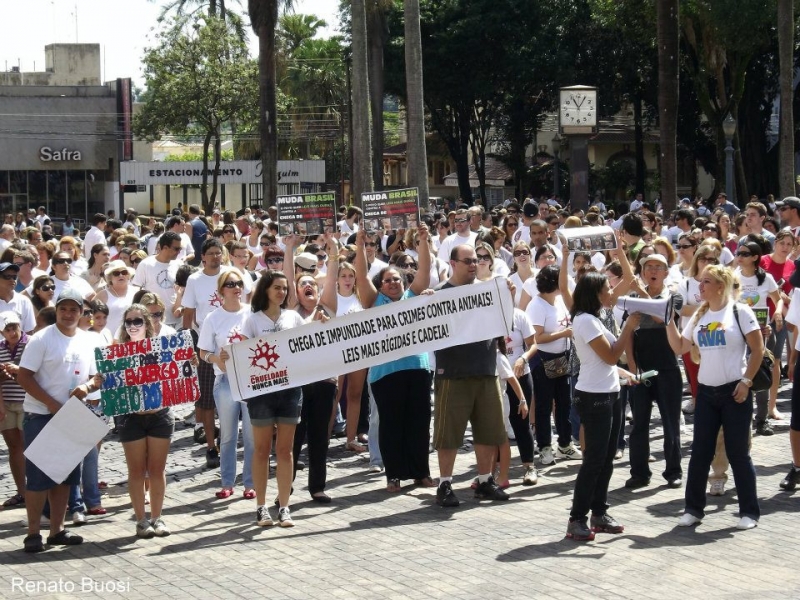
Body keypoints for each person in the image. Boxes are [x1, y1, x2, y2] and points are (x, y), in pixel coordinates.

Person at [666, 265, 763, 530]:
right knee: (700, 453)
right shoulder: (700, 314)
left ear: (720, 285)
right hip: (706, 393)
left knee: (738, 453)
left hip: (735, 391)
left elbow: (757, 349)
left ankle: (749, 512)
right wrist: (668, 320)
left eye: (706, 281)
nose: (700, 285)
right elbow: (679, 347)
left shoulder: (740, 312)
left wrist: (746, 381)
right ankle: (693, 509)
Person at [17, 289, 102, 553]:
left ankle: (57, 530)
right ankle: (33, 533)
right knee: (39, 477)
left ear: (81, 313)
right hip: (40, 415)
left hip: (71, 416)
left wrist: (88, 387)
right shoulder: (41, 339)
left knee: (66, 477)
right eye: (64, 309)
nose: (68, 314)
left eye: (74, 310)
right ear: (57, 310)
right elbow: (24, 376)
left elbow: (96, 376)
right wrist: (51, 404)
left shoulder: (88, 340)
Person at [355, 225, 435, 493]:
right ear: (380, 286)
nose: (392, 283)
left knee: (419, 422)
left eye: (397, 280)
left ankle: (421, 472)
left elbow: (424, 270)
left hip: (417, 368)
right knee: (391, 425)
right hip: (385, 374)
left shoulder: (414, 297)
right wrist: (358, 245)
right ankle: (394, 475)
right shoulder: (374, 302)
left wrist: (423, 241)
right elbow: (360, 277)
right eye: (387, 281)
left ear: (404, 283)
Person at [433, 244, 509, 507]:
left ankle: (485, 480)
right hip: (453, 373)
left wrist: (506, 297)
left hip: (485, 369)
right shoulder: (439, 294)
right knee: (449, 433)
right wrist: (427, 302)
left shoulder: (488, 290)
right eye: (468, 261)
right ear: (453, 263)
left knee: (489, 430)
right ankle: (444, 483)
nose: (473, 265)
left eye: (476, 260)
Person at [566, 272, 640, 541]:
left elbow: (610, 358)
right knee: (594, 460)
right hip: (594, 396)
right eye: (608, 288)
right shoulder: (585, 321)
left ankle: (599, 512)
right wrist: (629, 326)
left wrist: (624, 374)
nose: (612, 292)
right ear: (596, 293)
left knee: (606, 457)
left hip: (610, 393)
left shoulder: (594, 320)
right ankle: (576, 518)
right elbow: (610, 356)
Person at [242, 270, 306, 527]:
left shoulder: (294, 317)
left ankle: (284, 506)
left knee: (285, 450)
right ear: (265, 290)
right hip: (262, 392)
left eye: (284, 288)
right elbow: (244, 354)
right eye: (277, 287)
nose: (281, 292)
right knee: (261, 450)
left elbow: (306, 344)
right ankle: (260, 506)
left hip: (290, 389)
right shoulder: (253, 320)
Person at [624, 254, 685, 489]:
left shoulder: (674, 297)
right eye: (648, 267)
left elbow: (663, 318)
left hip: (667, 366)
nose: (652, 271)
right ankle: (639, 472)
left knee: (671, 423)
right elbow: (628, 332)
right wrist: (632, 366)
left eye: (657, 267)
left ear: (666, 272)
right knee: (639, 423)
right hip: (641, 366)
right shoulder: (632, 298)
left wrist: (642, 295)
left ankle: (673, 471)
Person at [116, 305, 175, 538]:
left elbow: (177, 372)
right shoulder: (118, 351)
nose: (133, 325)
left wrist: (188, 362)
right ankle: (141, 520)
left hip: (160, 414)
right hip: (131, 417)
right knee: (137, 470)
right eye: (129, 321)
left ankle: (157, 518)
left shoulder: (162, 347)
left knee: (157, 469)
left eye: (138, 321)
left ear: (147, 323)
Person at [198, 271, 255, 500]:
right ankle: (227, 482)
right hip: (224, 380)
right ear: (222, 290)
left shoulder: (252, 313)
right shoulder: (213, 318)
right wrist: (216, 359)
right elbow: (202, 351)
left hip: (251, 380)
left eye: (239, 283)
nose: (236, 287)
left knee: (251, 435)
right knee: (229, 435)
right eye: (230, 284)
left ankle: (250, 482)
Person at [181, 239, 231, 468]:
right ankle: (212, 446)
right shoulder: (194, 280)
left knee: (233, 397)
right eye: (210, 253)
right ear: (202, 256)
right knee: (208, 399)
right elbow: (188, 313)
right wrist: (187, 344)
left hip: (232, 342)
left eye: (218, 253)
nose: (215, 257)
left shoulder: (232, 274)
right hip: (205, 343)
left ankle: (229, 443)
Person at [525, 265, 581, 465]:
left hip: (562, 358)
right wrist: (564, 334)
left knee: (564, 403)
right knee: (543, 406)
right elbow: (537, 338)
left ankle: (565, 445)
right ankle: (544, 447)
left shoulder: (558, 300)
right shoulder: (536, 305)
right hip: (542, 360)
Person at [0, 311, 29, 509]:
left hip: (27, 402)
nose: (12, 332)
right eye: (7, 329)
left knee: (31, 448)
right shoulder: (0, 348)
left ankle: (37, 490)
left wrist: (17, 370)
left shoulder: (31, 344)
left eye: (14, 328)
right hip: (7, 402)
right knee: (14, 448)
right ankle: (22, 491)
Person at [94, 260, 138, 338]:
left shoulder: (137, 292)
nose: (121, 275)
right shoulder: (103, 295)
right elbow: (91, 315)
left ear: (128, 275)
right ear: (110, 278)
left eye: (124, 272)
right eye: (116, 273)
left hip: (133, 338)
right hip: (109, 340)